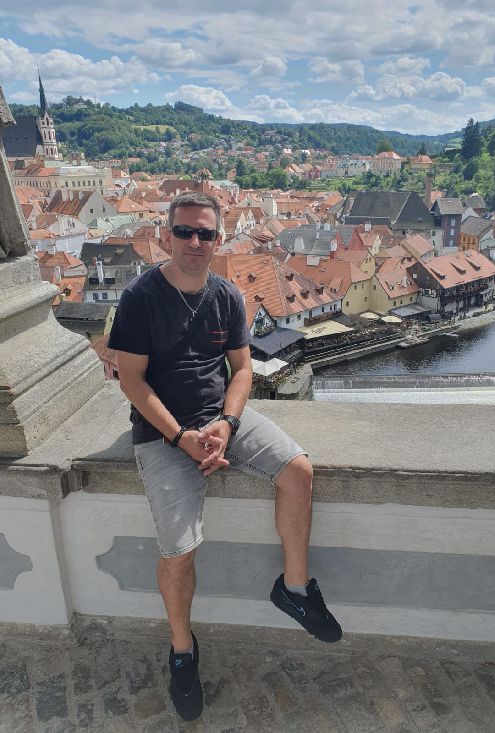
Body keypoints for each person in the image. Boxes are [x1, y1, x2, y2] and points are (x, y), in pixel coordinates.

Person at [108, 192, 341, 721]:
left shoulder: (227, 294)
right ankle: (182, 650)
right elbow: (132, 381)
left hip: (220, 419)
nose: (195, 241)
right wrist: (180, 437)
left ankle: (295, 589)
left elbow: (242, 369)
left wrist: (227, 423)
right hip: (163, 432)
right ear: (167, 235)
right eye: (185, 231)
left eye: (206, 233)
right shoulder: (142, 297)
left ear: (218, 239)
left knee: (298, 470)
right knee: (179, 550)